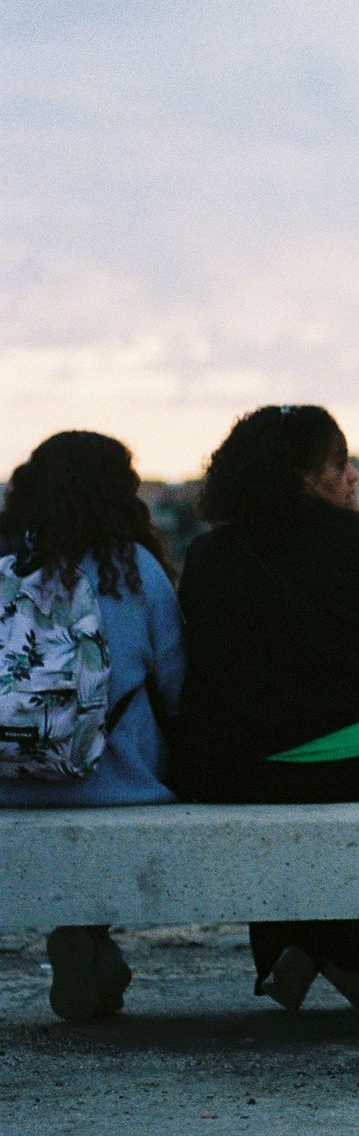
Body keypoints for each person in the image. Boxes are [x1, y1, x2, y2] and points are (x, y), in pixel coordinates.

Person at [174, 404, 359, 1012]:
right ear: (307, 476)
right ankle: (333, 950)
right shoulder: (354, 537)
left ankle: (294, 949)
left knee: (273, 809)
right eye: (340, 464)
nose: (353, 477)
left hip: (238, 773)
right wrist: (357, 529)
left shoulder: (207, 555)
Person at [0, 431, 186, 1021]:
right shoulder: (135, 571)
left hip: (9, 783)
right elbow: (176, 687)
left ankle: (87, 942)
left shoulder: (6, 570)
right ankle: (86, 934)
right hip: (119, 784)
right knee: (143, 716)